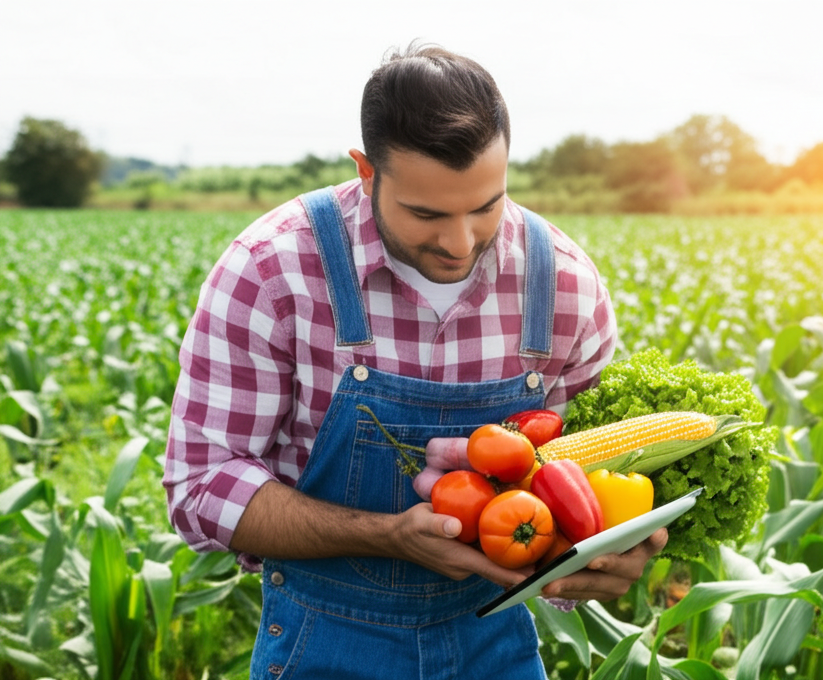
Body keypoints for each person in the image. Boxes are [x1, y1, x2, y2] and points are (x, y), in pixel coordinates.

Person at [162, 43, 667, 680]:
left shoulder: (566, 286)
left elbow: (583, 477)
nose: (460, 243)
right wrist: (385, 535)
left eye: (487, 206)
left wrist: (608, 550)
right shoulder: (271, 270)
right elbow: (202, 486)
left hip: (496, 644)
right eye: (426, 213)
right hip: (323, 644)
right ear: (367, 171)